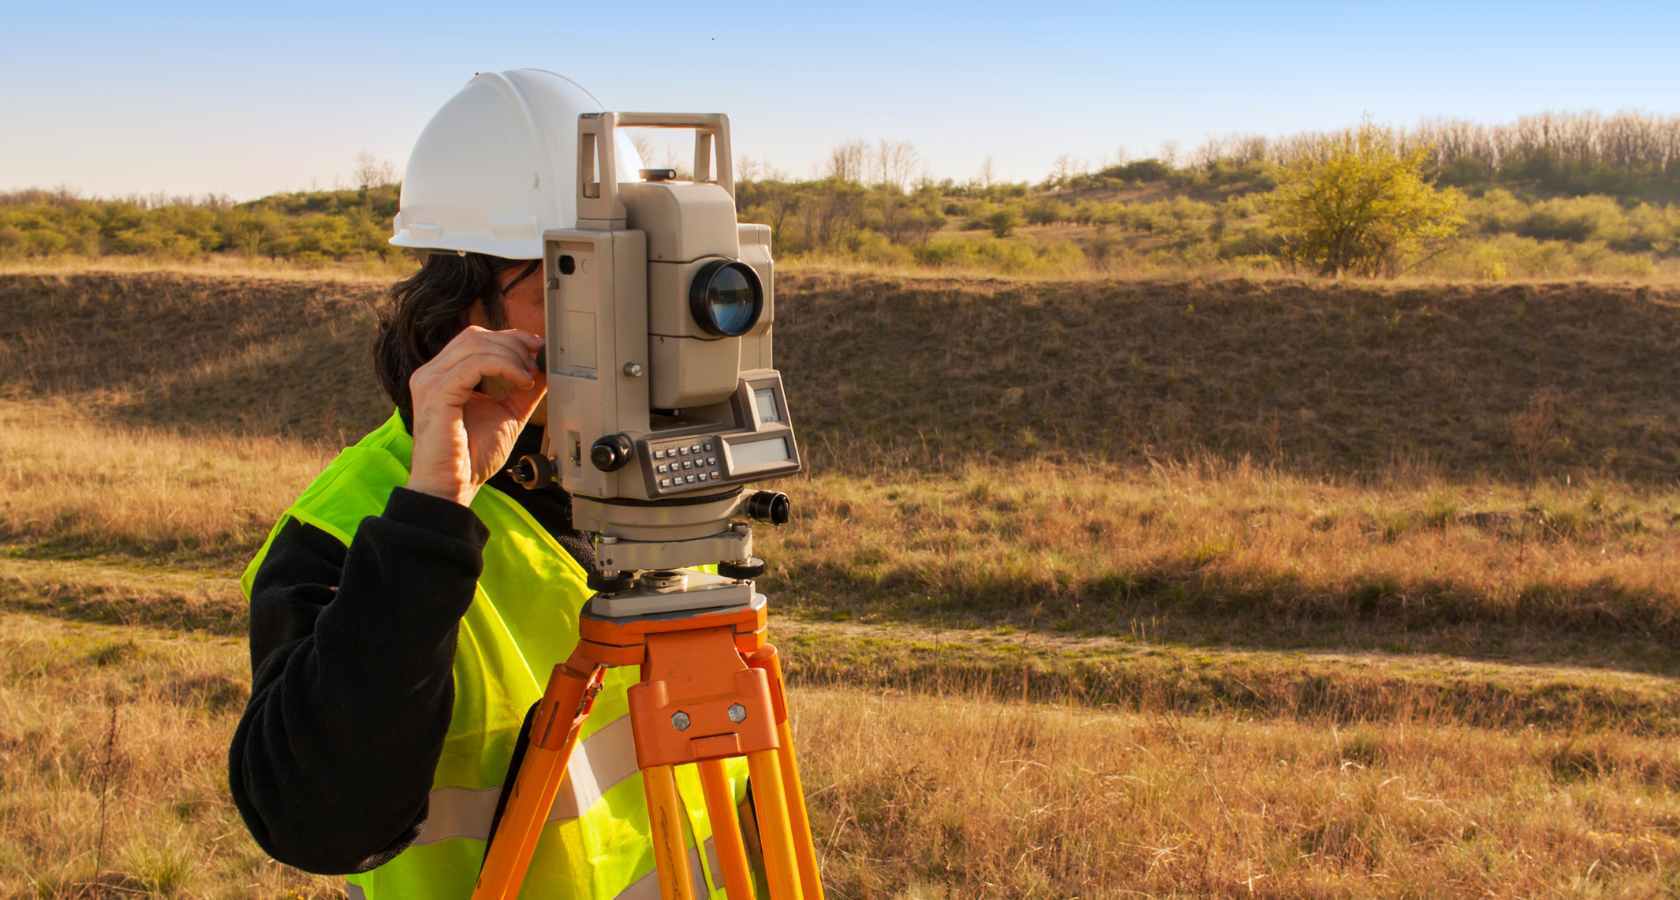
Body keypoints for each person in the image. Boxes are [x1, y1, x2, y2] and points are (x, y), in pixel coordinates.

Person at [228, 70, 751, 900]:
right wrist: (434, 514)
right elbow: (311, 820)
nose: (634, 324)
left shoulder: (658, 495)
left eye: (643, 276)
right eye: (579, 280)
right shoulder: (349, 528)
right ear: (464, 308)